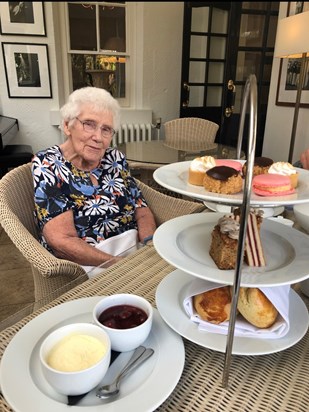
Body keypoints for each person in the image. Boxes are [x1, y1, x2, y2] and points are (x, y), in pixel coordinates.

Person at [32, 87, 156, 274]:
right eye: (89, 124)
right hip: (89, 264)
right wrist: (119, 265)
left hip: (133, 252)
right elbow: (61, 240)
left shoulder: (115, 159)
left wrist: (149, 247)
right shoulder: (47, 164)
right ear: (67, 126)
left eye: (106, 129)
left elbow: (142, 211)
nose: (98, 137)